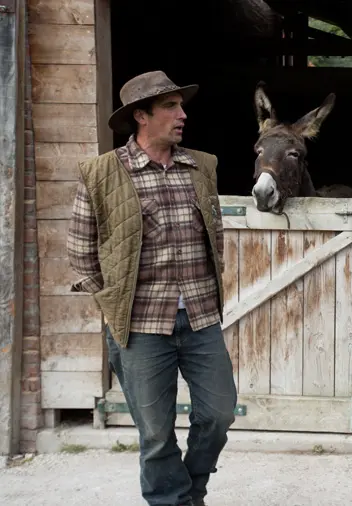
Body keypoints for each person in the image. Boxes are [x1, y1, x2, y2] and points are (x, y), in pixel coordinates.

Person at [67, 70, 236, 506]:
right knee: (156, 433)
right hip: (140, 325)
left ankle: (192, 488)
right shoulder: (100, 173)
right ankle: (172, 501)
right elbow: (81, 254)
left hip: (199, 316)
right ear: (141, 116)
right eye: (170, 107)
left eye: (181, 106)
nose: (182, 115)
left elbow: (214, 236)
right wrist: (113, 303)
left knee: (219, 413)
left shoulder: (202, 166)